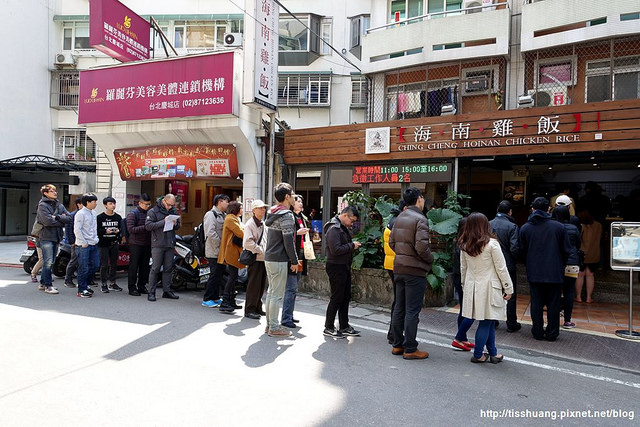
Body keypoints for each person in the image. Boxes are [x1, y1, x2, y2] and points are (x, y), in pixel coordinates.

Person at [459, 213, 514, 364]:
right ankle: (478, 355)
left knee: (488, 321)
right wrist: (508, 288)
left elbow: (463, 268)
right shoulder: (492, 244)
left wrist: (465, 286)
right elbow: (501, 268)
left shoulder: (464, 244)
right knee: (487, 321)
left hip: (472, 287)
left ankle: (493, 353)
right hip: (491, 287)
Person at [388, 187, 432, 359]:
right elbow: (422, 247)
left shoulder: (399, 217)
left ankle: (397, 345)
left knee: (399, 307)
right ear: (419, 199)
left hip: (399, 267)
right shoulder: (420, 219)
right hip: (415, 271)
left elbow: (392, 242)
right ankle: (411, 348)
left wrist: (402, 253)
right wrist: (430, 259)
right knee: (412, 310)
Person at [520, 197, 572, 341]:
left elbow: (521, 251)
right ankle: (552, 333)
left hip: (534, 271)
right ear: (548, 209)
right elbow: (567, 250)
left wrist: (528, 263)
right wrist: (561, 264)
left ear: (532, 209)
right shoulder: (558, 227)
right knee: (553, 304)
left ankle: (537, 331)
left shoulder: (525, 228)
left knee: (536, 304)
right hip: (554, 271)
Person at [264, 183, 299, 338]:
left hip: (269, 257)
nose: (293, 197)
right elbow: (288, 241)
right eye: (292, 194)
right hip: (279, 259)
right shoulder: (286, 215)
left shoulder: (272, 211)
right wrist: (294, 261)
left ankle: (269, 325)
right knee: (277, 294)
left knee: (271, 293)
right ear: (287, 196)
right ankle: (274, 326)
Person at [323, 205, 362, 339]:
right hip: (336, 266)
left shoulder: (341, 227)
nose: (352, 223)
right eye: (352, 220)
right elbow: (336, 250)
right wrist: (352, 246)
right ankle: (328, 327)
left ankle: (344, 326)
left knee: (345, 297)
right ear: (345, 215)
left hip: (343, 265)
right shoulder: (334, 228)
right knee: (337, 297)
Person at [489, 200, 521, 333]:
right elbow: (514, 248)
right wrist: (516, 259)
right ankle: (511, 323)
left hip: (491, 264)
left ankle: (493, 320)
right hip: (508, 264)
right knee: (510, 293)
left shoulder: (488, 224)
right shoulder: (512, 226)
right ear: (510, 212)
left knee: (494, 291)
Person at [36, 184, 72, 294]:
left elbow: (69, 218)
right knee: (48, 262)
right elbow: (47, 221)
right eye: (52, 191)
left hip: (57, 236)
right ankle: (48, 285)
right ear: (45, 193)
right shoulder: (42, 205)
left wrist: (56, 217)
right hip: (46, 236)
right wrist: (61, 220)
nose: (55, 193)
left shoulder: (59, 204)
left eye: (55, 191)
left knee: (51, 261)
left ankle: (42, 283)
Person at [145, 194, 181, 301]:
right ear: (164, 201)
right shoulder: (153, 211)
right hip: (158, 244)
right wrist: (163, 222)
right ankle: (151, 292)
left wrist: (176, 223)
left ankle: (167, 291)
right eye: (169, 205)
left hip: (169, 243)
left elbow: (178, 226)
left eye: (172, 205)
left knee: (168, 268)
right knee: (155, 268)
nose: (170, 207)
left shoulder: (173, 211)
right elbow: (148, 226)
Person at [281, 194, 310, 328]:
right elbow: (287, 235)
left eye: (301, 201)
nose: (300, 203)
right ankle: (286, 318)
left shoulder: (301, 217)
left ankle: (290, 315)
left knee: (295, 287)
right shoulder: (289, 216)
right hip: (292, 256)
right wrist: (298, 233)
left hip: (301, 254)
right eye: (298, 201)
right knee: (291, 288)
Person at [552, 205, 581, 328]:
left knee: (555, 291)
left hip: (556, 263)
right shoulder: (574, 228)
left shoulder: (553, 228)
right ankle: (567, 320)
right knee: (569, 292)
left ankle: (554, 318)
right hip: (572, 262)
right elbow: (578, 245)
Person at [451, 217, 475, 351]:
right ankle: (459, 337)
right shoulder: (465, 243)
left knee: (464, 309)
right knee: (470, 311)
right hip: (464, 279)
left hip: (458, 278)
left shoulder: (458, 240)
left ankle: (463, 338)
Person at [201, 194, 230, 308]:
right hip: (213, 250)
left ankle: (215, 297)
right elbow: (210, 233)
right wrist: (221, 244)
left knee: (219, 275)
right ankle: (207, 298)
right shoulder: (210, 215)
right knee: (214, 275)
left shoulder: (223, 215)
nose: (227, 204)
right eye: (226, 201)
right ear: (219, 202)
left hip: (221, 251)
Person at [217, 201, 246, 313]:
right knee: (232, 277)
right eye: (241, 208)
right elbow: (241, 233)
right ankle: (225, 302)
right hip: (230, 252)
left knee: (233, 277)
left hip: (233, 251)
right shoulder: (230, 219)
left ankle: (230, 301)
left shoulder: (234, 218)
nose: (242, 210)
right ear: (236, 209)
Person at [383, 200, 405, 344]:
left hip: (391, 264)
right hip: (398, 264)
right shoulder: (398, 222)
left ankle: (393, 333)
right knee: (400, 301)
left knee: (398, 300)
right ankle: (394, 334)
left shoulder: (393, 220)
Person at [243, 199, 268, 319]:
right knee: (254, 285)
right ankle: (250, 309)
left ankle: (257, 307)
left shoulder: (262, 222)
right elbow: (248, 243)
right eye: (260, 208)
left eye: (264, 207)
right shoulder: (250, 224)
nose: (263, 209)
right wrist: (260, 250)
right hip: (255, 258)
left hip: (262, 258)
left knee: (261, 285)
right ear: (254, 210)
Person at [126, 194, 152, 296]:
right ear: (139, 203)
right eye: (145, 204)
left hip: (147, 243)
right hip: (136, 244)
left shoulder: (150, 213)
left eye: (149, 204)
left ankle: (142, 286)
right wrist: (145, 227)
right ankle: (132, 287)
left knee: (145, 267)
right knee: (134, 266)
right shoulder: (133, 214)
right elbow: (131, 229)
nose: (147, 206)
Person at [74, 193, 99, 298]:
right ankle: (81, 289)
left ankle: (86, 284)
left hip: (93, 243)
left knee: (95, 265)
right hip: (83, 245)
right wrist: (83, 242)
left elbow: (94, 227)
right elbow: (77, 229)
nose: (96, 203)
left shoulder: (94, 213)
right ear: (87, 202)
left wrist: (96, 238)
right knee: (83, 267)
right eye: (94, 202)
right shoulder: (80, 214)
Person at [97, 197, 123, 293]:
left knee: (114, 264)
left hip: (114, 243)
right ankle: (104, 283)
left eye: (114, 203)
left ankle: (113, 282)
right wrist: (104, 231)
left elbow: (121, 229)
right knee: (104, 265)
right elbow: (96, 230)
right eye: (110, 204)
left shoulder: (118, 217)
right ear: (105, 205)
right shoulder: (100, 217)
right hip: (103, 244)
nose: (113, 205)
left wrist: (118, 231)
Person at [575, 210, 602, 304]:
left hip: (582, 253)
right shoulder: (598, 225)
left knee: (580, 274)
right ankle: (588, 297)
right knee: (590, 274)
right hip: (594, 253)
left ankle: (578, 296)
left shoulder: (581, 226)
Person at [63, 197, 83, 288]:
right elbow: (68, 230)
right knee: (74, 261)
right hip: (75, 242)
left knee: (82, 262)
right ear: (79, 204)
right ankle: (68, 280)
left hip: (84, 241)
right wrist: (72, 241)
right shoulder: (72, 215)